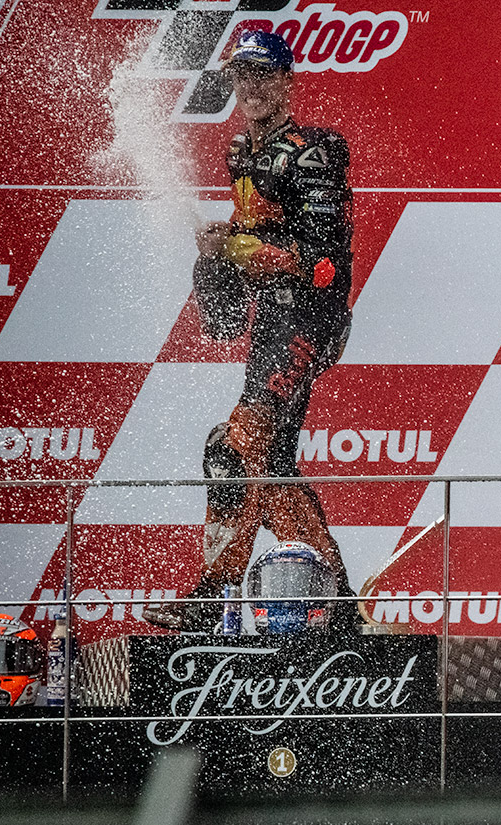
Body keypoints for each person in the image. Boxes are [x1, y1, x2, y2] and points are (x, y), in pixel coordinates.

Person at [145, 30, 356, 632]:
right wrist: (216, 259)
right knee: (272, 466)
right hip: (271, 322)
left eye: (263, 75)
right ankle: (339, 606)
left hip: (308, 321)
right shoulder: (240, 151)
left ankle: (213, 595)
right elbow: (249, 249)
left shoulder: (317, 151)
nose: (251, 87)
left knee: (231, 448)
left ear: (288, 82)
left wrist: (234, 246)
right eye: (241, 76)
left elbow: (321, 257)